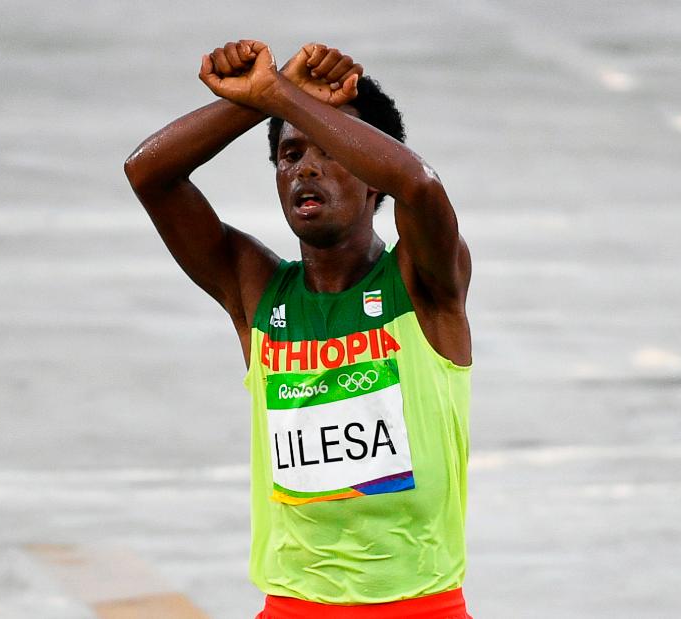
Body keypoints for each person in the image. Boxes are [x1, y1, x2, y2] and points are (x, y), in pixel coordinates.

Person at [124, 39, 473, 619]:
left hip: (420, 606)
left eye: (332, 151)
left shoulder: (423, 287)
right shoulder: (255, 292)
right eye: (289, 154)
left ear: (372, 180)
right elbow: (148, 173)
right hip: (293, 607)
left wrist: (283, 96)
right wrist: (261, 97)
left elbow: (421, 185)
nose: (305, 167)